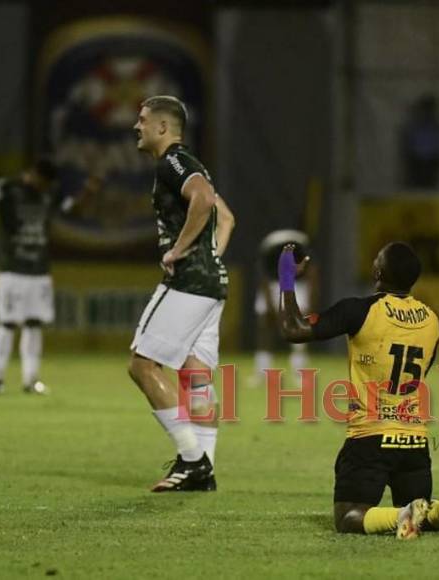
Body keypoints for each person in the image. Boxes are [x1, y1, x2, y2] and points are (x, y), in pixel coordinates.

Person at [277, 242, 439, 539]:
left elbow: (293, 329)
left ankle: (402, 515)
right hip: (414, 441)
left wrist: (286, 276)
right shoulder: (431, 319)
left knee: (348, 516)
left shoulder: (360, 310)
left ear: (378, 272)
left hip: (370, 437)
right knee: (421, 511)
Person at [128, 95, 235, 492]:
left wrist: (180, 250)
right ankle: (204, 469)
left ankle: (193, 461)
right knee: (195, 376)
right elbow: (227, 218)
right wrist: (209, 258)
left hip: (189, 282)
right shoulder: (192, 164)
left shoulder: (173, 161)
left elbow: (203, 201)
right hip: (212, 283)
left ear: (162, 127)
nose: (136, 126)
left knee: (142, 365)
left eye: (142, 120)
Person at [0, 160, 99, 395]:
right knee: (7, 323)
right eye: (43, 183)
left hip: (39, 271)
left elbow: (74, 210)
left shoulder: (50, 192)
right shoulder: (6, 187)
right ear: (34, 175)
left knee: (34, 324)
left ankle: (31, 380)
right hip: (12, 269)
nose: (44, 188)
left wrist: (88, 191)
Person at [253, 229, 317, 383]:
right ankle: (262, 370)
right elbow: (264, 279)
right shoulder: (269, 250)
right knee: (265, 325)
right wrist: (271, 307)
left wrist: (311, 301)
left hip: (297, 285)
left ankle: (300, 372)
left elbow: (313, 274)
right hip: (273, 283)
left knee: (299, 327)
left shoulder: (303, 248)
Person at [400, 94, 439, 189]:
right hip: (417, 161)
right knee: (417, 185)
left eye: (429, 110)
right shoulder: (415, 125)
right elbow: (410, 143)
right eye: (425, 109)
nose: (427, 113)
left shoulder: (436, 126)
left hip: (431, 161)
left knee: (430, 185)